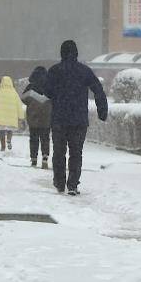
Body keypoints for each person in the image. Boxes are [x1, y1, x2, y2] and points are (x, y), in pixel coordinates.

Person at [45, 40, 108, 195]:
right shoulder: (84, 71)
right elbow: (98, 89)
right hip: (79, 119)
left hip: (59, 118)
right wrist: (102, 110)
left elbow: (46, 91)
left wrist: (58, 96)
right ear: (76, 53)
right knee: (76, 152)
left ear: (61, 53)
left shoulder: (54, 71)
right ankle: (73, 184)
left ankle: (59, 182)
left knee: (59, 152)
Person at [21, 66, 52, 168]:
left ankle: (34, 158)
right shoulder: (50, 87)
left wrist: (33, 102)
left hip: (33, 116)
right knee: (45, 138)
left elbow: (23, 99)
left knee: (33, 138)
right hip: (46, 117)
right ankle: (45, 157)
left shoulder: (30, 87)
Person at [0, 76, 25, 152]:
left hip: (1, 116)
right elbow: (19, 105)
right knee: (10, 130)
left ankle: (3, 147)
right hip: (11, 116)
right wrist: (21, 116)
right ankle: (9, 139)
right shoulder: (14, 92)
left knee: (2, 131)